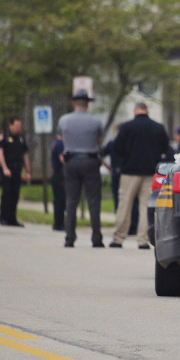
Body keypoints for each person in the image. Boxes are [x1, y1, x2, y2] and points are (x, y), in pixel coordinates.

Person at [109, 102, 168, 249]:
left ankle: (118, 238)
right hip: (150, 172)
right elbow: (165, 148)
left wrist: (124, 159)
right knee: (145, 206)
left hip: (129, 171)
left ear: (135, 110)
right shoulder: (158, 127)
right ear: (147, 111)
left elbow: (117, 148)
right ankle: (143, 240)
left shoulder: (127, 127)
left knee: (125, 205)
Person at [58, 89, 105, 248]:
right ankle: (96, 238)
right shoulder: (96, 121)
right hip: (90, 160)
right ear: (87, 104)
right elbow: (99, 141)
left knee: (71, 201)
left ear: (74, 103)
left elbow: (60, 138)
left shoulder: (64, 120)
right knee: (93, 201)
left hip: (71, 161)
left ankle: (69, 238)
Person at [101, 125, 139, 236]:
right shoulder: (131, 144)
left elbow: (101, 154)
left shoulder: (112, 144)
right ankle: (133, 225)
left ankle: (121, 226)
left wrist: (109, 168)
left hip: (116, 173)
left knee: (120, 201)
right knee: (133, 200)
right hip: (130, 173)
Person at [0, 117, 31, 227]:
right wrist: (5, 168)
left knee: (15, 194)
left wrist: (28, 170)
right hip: (7, 168)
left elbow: (25, 154)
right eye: (16, 126)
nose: (18, 128)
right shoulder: (4, 137)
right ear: (10, 125)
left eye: (19, 126)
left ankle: (12, 218)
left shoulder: (21, 138)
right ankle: (4, 217)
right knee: (7, 193)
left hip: (17, 168)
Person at [50, 134, 66, 231]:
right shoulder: (60, 144)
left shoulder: (56, 143)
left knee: (58, 200)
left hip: (57, 175)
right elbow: (62, 159)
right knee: (60, 200)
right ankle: (59, 224)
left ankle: (58, 223)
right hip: (60, 175)